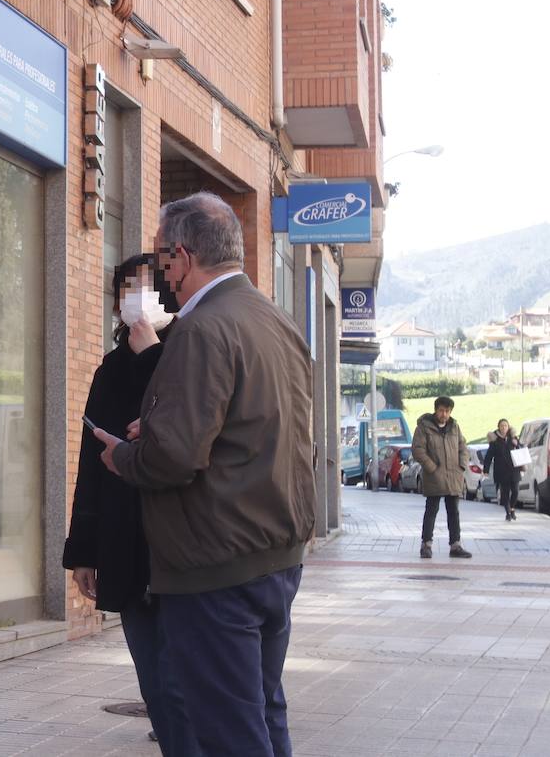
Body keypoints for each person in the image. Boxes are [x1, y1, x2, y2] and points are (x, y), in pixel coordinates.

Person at [95, 191, 315, 757]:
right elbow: (257, 430)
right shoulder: (275, 320)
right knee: (265, 716)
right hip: (276, 558)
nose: (161, 275)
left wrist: (123, 455)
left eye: (162, 261)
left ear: (181, 258)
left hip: (218, 570)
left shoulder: (201, 329)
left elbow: (175, 458)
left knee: (229, 733)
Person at [62, 255, 199, 757]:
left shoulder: (190, 350)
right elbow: (91, 462)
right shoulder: (110, 368)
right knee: (154, 678)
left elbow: (182, 432)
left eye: (145, 288)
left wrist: (153, 356)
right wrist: (83, 550)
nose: (134, 300)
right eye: (125, 289)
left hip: (184, 545)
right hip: (125, 538)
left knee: (183, 679)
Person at [412, 398, 473, 558]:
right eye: (441, 410)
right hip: (434, 477)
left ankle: (455, 545)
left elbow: (463, 448)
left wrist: (461, 465)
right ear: (435, 410)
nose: (444, 414)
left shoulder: (454, 427)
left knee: (454, 512)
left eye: (447, 411)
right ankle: (426, 545)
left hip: (453, 476)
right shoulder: (424, 427)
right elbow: (418, 450)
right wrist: (432, 467)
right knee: (431, 510)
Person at [482, 419, 524, 520]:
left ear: (508, 427)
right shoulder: (495, 441)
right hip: (501, 470)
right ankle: (508, 512)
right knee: (505, 493)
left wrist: (517, 444)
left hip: (514, 469)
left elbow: (522, 451)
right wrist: (486, 470)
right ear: (499, 427)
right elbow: (488, 456)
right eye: (502, 426)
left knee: (515, 491)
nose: (504, 428)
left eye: (505, 426)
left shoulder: (513, 438)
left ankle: (512, 508)